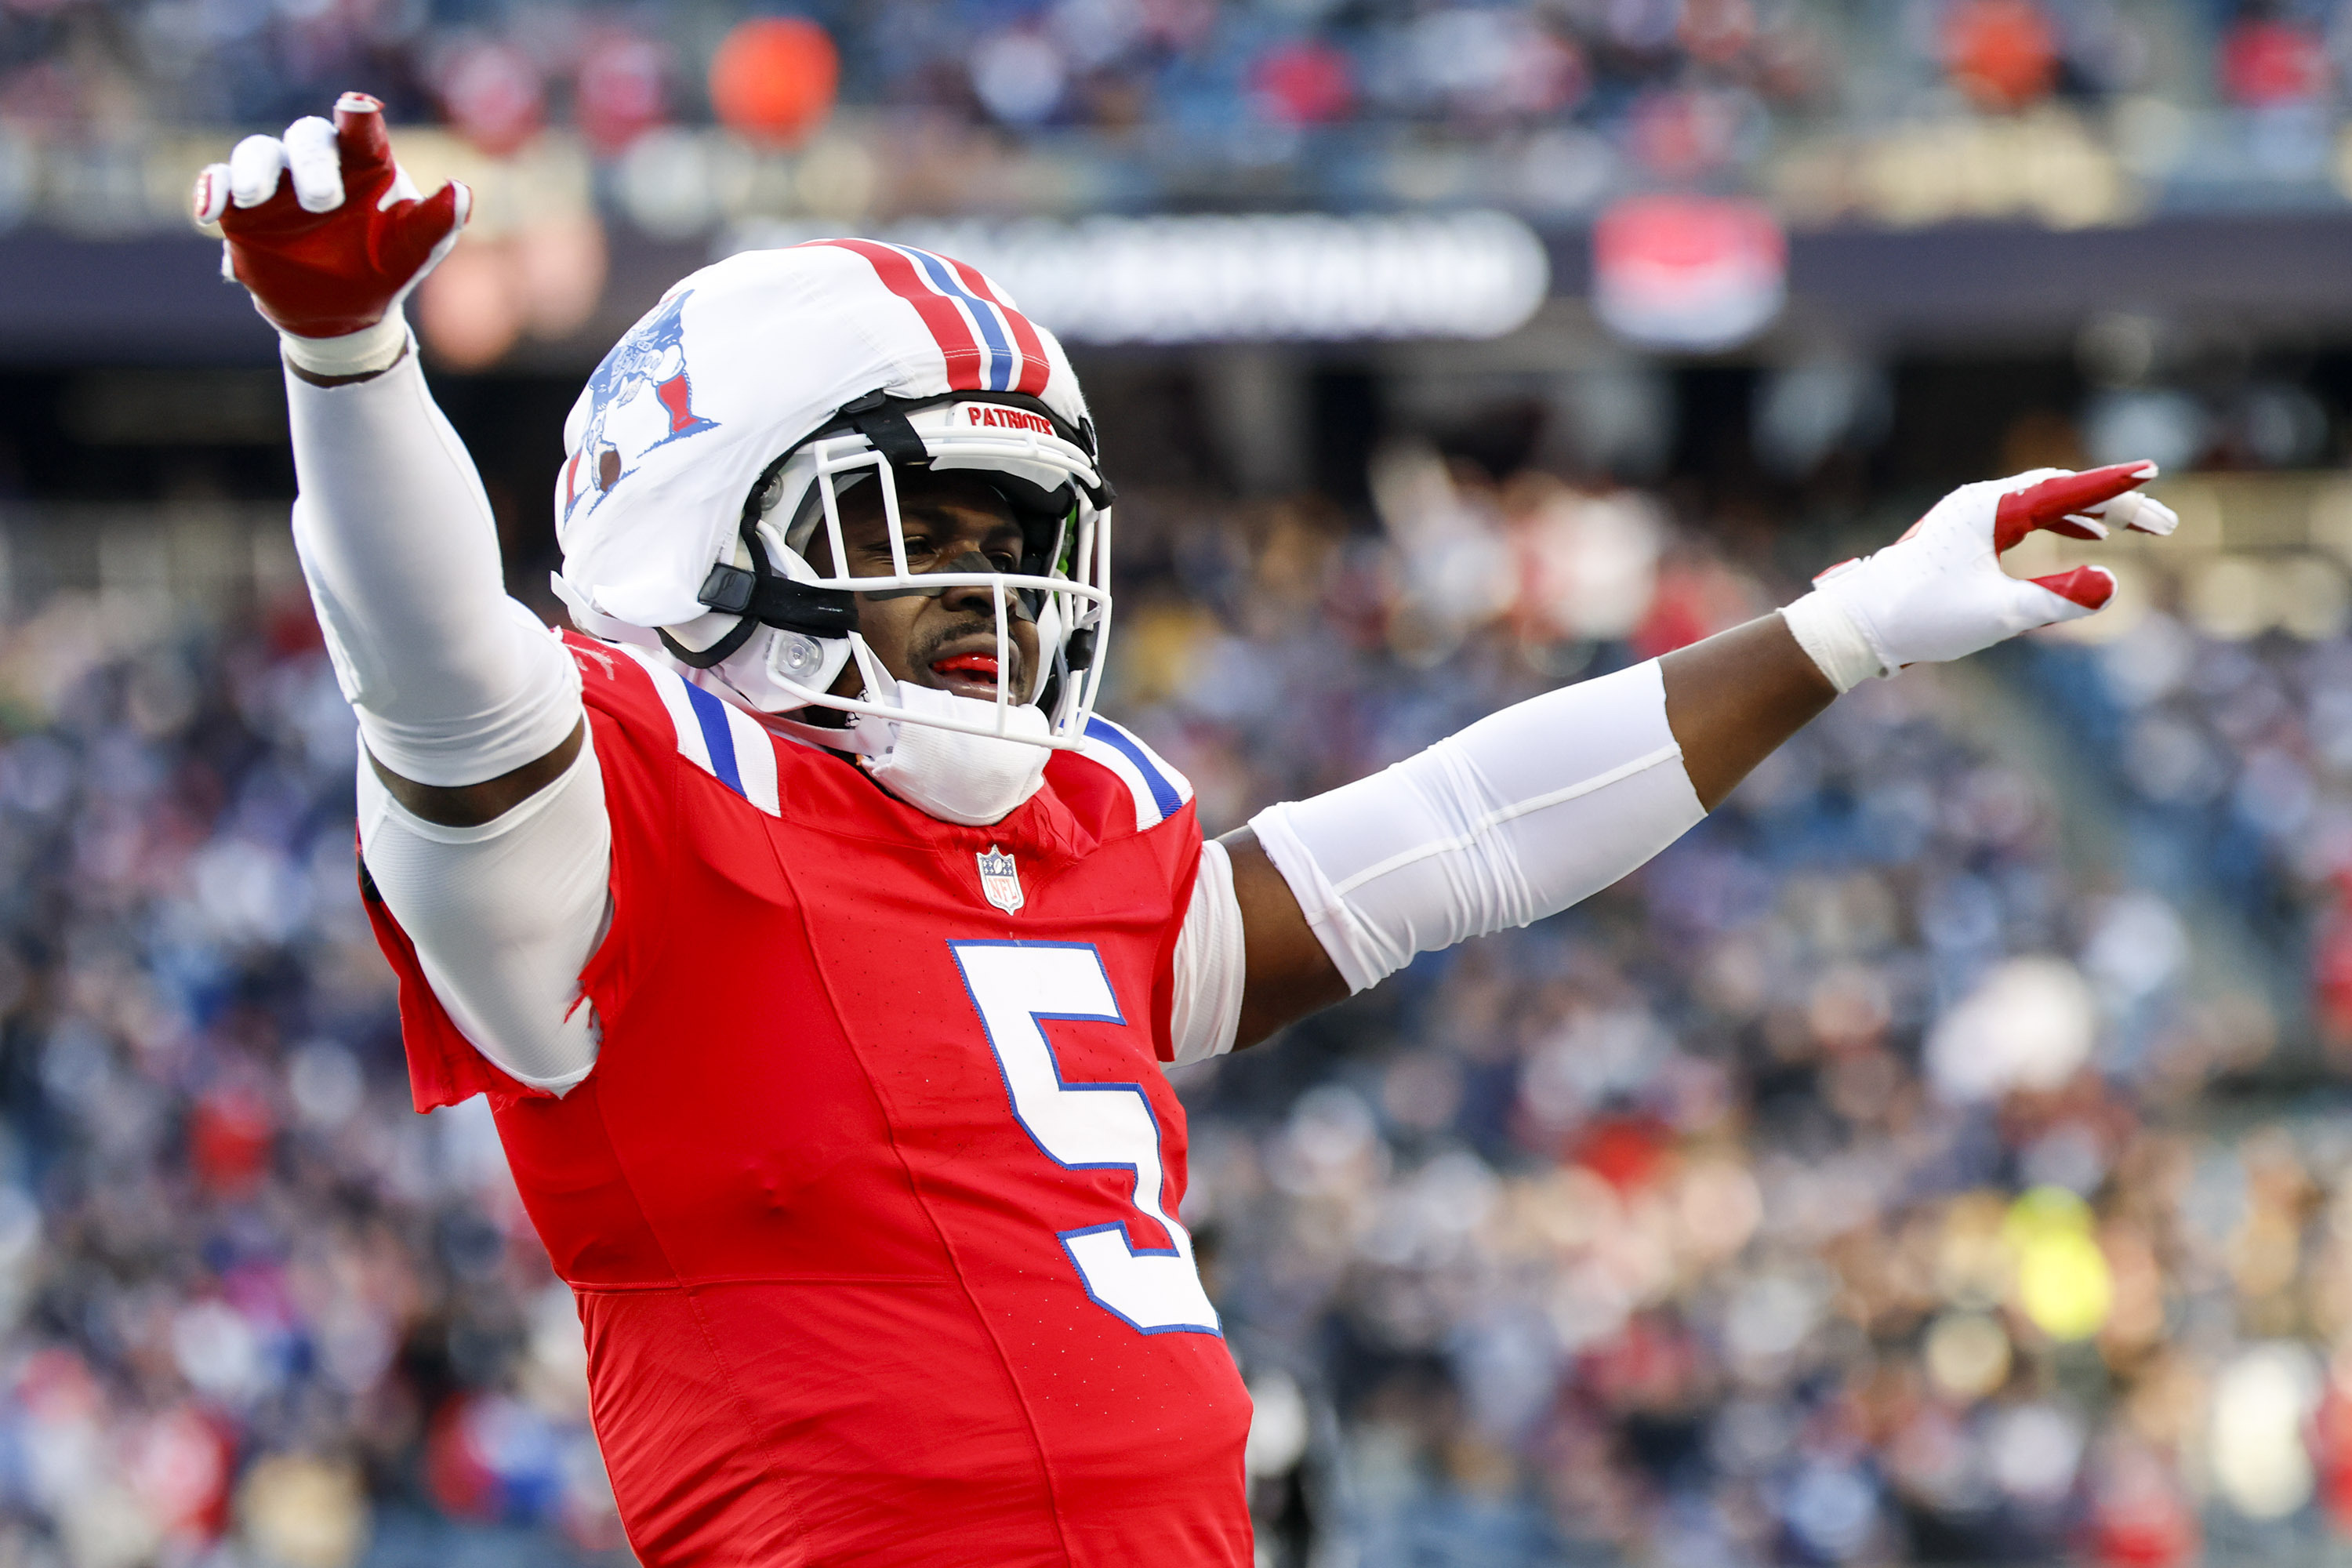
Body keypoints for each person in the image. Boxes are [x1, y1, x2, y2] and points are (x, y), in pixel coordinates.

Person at [194, 96, 2178, 1566]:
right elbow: (435, 666)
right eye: (914, 535)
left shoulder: (1079, 826)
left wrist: (1838, 629)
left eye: (1018, 539)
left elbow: (1456, 836)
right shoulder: (619, 814)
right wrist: (349, 360)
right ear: (697, 534)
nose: (990, 601)